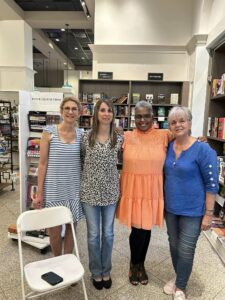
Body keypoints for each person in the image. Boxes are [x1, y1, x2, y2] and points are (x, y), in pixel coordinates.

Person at [163, 106, 218, 300]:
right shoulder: (168, 146)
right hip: (170, 209)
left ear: (190, 123)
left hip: (193, 211)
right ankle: (179, 275)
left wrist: (209, 214)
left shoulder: (203, 149)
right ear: (169, 126)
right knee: (173, 245)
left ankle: (181, 287)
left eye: (182, 120)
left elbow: (212, 184)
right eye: (173, 122)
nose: (178, 125)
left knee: (186, 248)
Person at [117, 100, 173, 286]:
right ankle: (134, 264)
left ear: (153, 117)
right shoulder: (125, 136)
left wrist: (200, 139)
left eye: (146, 116)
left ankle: (141, 264)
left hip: (152, 190)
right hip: (133, 189)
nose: (142, 120)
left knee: (146, 228)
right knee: (137, 230)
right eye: (138, 116)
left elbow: (183, 137)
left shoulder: (165, 135)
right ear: (134, 118)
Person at [80, 99, 123, 290]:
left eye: (109, 111)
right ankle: (96, 272)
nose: (106, 114)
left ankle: (106, 270)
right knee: (92, 235)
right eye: (102, 110)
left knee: (108, 234)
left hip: (110, 192)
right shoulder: (85, 137)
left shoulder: (119, 138)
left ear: (113, 115)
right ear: (96, 113)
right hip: (89, 193)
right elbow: (81, 160)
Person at [34, 97, 84, 256]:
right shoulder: (49, 133)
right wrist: (39, 193)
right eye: (67, 108)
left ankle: (68, 261)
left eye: (74, 109)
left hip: (74, 190)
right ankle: (57, 260)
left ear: (79, 113)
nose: (70, 111)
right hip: (54, 190)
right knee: (54, 230)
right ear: (61, 111)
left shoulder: (82, 135)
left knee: (71, 227)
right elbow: (42, 164)